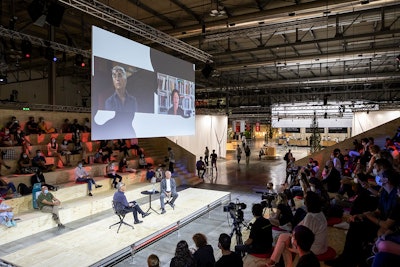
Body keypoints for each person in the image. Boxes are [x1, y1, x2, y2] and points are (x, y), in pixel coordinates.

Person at [325, 169, 400, 267]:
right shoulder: (385, 193)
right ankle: (348, 258)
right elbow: (378, 211)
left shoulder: (397, 198)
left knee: (358, 227)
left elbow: (387, 225)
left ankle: (351, 259)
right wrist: (363, 215)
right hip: (380, 223)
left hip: (389, 229)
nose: (377, 176)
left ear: (386, 180)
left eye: (380, 175)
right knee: (356, 222)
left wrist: (368, 216)